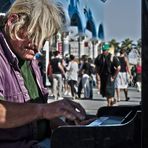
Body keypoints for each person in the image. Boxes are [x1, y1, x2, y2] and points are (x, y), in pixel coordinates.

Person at [0, 0, 86, 148]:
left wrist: (68, 129)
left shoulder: (29, 60)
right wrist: (44, 110)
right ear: (12, 21)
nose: (38, 46)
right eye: (34, 35)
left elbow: (37, 116)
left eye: (43, 40)